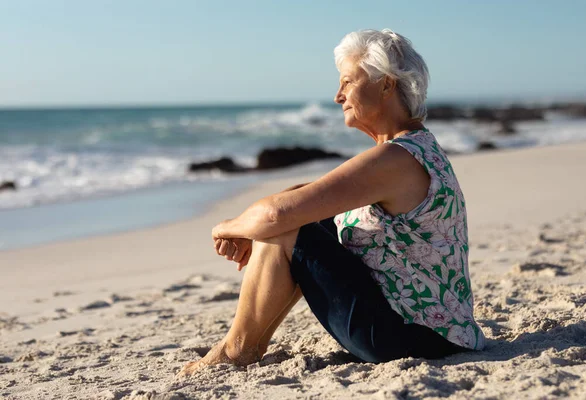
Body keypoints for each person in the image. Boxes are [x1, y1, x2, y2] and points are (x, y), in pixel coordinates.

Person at [178, 28, 485, 377]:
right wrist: (257, 227)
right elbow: (301, 195)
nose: (338, 96)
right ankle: (247, 344)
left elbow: (278, 212)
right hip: (438, 333)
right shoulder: (413, 150)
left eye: (347, 82)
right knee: (302, 219)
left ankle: (237, 349)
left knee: (287, 224)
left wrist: (226, 227)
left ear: (386, 85)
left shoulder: (396, 159)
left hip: (409, 338)